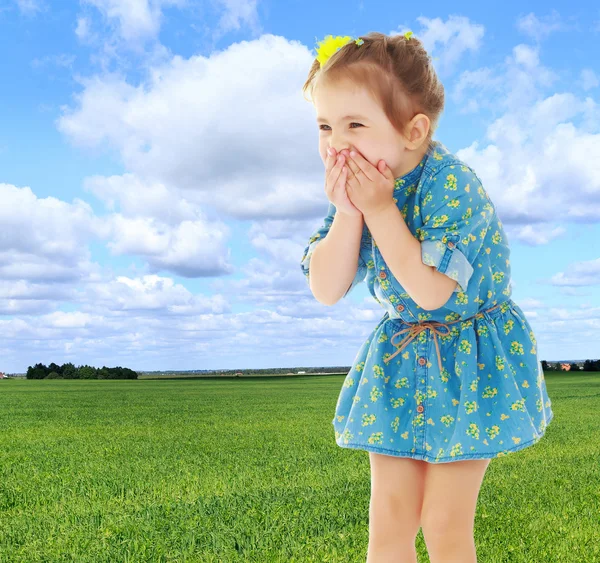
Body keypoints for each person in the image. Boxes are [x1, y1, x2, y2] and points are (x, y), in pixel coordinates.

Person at [299, 32, 554, 563]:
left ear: (414, 131)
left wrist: (381, 211)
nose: (335, 144)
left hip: (469, 359)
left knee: (443, 522)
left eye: (355, 125)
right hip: (402, 358)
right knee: (388, 524)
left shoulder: (450, 184)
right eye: (324, 126)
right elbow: (326, 289)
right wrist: (349, 213)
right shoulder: (360, 188)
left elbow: (432, 292)